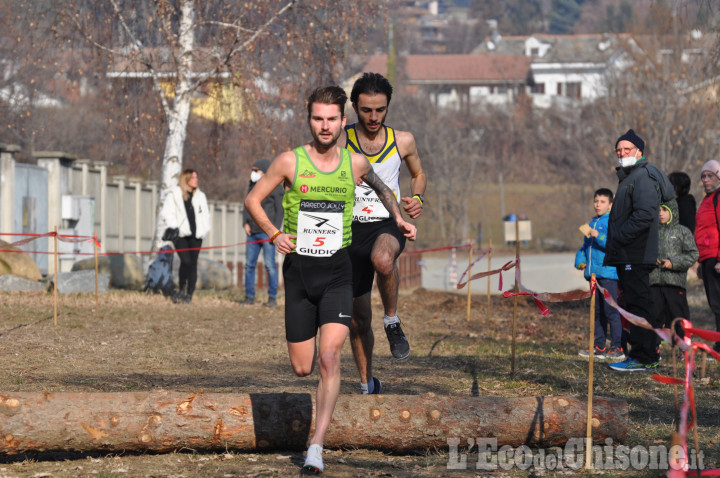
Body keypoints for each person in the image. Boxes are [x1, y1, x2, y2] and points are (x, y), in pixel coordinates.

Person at [244, 85, 416, 474]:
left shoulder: (354, 163)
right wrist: (274, 233)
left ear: (343, 120)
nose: (325, 125)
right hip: (301, 275)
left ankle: (316, 448)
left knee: (328, 356)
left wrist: (400, 218)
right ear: (310, 119)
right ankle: (317, 421)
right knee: (303, 367)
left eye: (332, 119)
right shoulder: (290, 161)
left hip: (339, 271)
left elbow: (383, 187)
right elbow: (253, 199)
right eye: (318, 118)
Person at [343, 72, 426, 395]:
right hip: (348, 229)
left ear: (388, 106)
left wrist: (416, 198)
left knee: (383, 258)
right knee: (358, 319)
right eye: (366, 110)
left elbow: (419, 174)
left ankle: (392, 320)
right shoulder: (341, 138)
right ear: (354, 107)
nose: (374, 117)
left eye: (380, 109)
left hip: (387, 222)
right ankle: (367, 385)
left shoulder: (402, 140)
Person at [604, 129, 674, 372]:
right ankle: (646, 353)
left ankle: (644, 357)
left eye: (627, 149)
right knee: (636, 304)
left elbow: (645, 214)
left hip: (635, 251)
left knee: (639, 305)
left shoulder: (642, 176)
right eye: (619, 150)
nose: (622, 153)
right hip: (628, 253)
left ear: (639, 152)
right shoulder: (629, 177)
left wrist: (620, 237)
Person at [574, 188, 624, 361]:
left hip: (608, 274)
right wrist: (580, 260)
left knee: (611, 311)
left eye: (602, 202)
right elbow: (585, 248)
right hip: (593, 275)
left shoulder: (612, 222)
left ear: (610, 205)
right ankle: (599, 346)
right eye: (596, 201)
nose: (598, 204)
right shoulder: (592, 223)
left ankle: (617, 347)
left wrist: (599, 236)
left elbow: (614, 245)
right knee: (597, 312)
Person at [651, 199, 698, 341]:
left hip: (675, 284)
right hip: (654, 283)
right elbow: (641, 252)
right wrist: (650, 259)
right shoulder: (651, 232)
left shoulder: (682, 232)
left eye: (664, 210)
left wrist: (674, 263)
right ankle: (653, 352)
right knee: (654, 319)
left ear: (673, 212)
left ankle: (684, 350)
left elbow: (693, 254)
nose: (661, 213)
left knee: (679, 319)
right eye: (658, 210)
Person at [161, 169, 210, 304]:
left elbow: (206, 214)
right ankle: (181, 289)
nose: (196, 180)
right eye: (193, 177)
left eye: (196, 177)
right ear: (186, 179)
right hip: (181, 234)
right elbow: (166, 213)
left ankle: (189, 294)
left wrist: (205, 229)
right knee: (186, 261)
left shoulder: (200, 196)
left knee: (193, 264)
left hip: (197, 235)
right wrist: (174, 225)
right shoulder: (174, 194)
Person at [241, 159, 283, 307]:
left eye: (256, 170)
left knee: (270, 265)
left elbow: (280, 210)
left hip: (267, 234)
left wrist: (274, 232)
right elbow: (247, 205)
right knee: (249, 265)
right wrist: (245, 223)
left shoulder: (276, 187)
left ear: (264, 171)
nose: (253, 173)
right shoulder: (252, 185)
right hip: (252, 232)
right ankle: (249, 297)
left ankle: (272, 298)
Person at [694, 160, 720, 353]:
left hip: (716, 256)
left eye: (710, 175)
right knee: (714, 303)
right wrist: (701, 263)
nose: (705, 179)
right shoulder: (707, 199)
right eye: (703, 176)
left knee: (718, 303)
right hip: (707, 257)